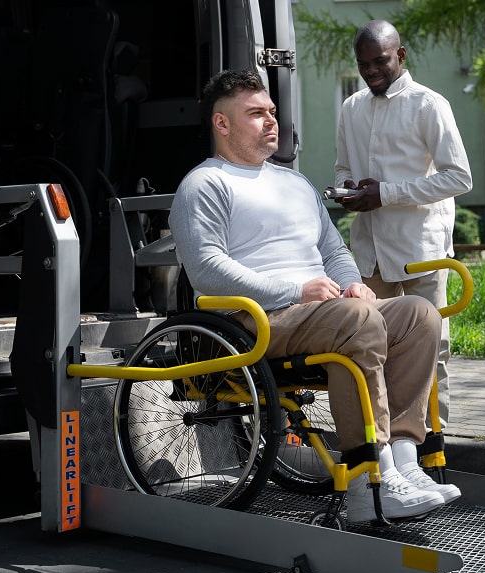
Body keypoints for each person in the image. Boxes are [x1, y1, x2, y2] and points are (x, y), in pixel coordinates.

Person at [168, 69, 460, 523]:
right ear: (221, 125)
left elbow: (333, 250)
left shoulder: (295, 183)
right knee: (356, 321)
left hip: (324, 309)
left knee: (419, 314)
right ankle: (368, 482)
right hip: (258, 319)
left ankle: (403, 461)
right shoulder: (205, 185)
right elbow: (207, 269)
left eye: (271, 112)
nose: (271, 121)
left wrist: (352, 283)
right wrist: (296, 289)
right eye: (256, 114)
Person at [334, 20, 473, 429]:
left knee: (432, 351)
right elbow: (344, 167)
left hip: (420, 252)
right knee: (366, 347)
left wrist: (386, 193)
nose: (372, 71)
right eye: (364, 65)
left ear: (402, 54)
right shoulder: (351, 107)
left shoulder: (429, 104)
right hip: (370, 251)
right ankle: (381, 446)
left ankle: (432, 446)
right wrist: (346, 192)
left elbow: (459, 177)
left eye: (380, 61)